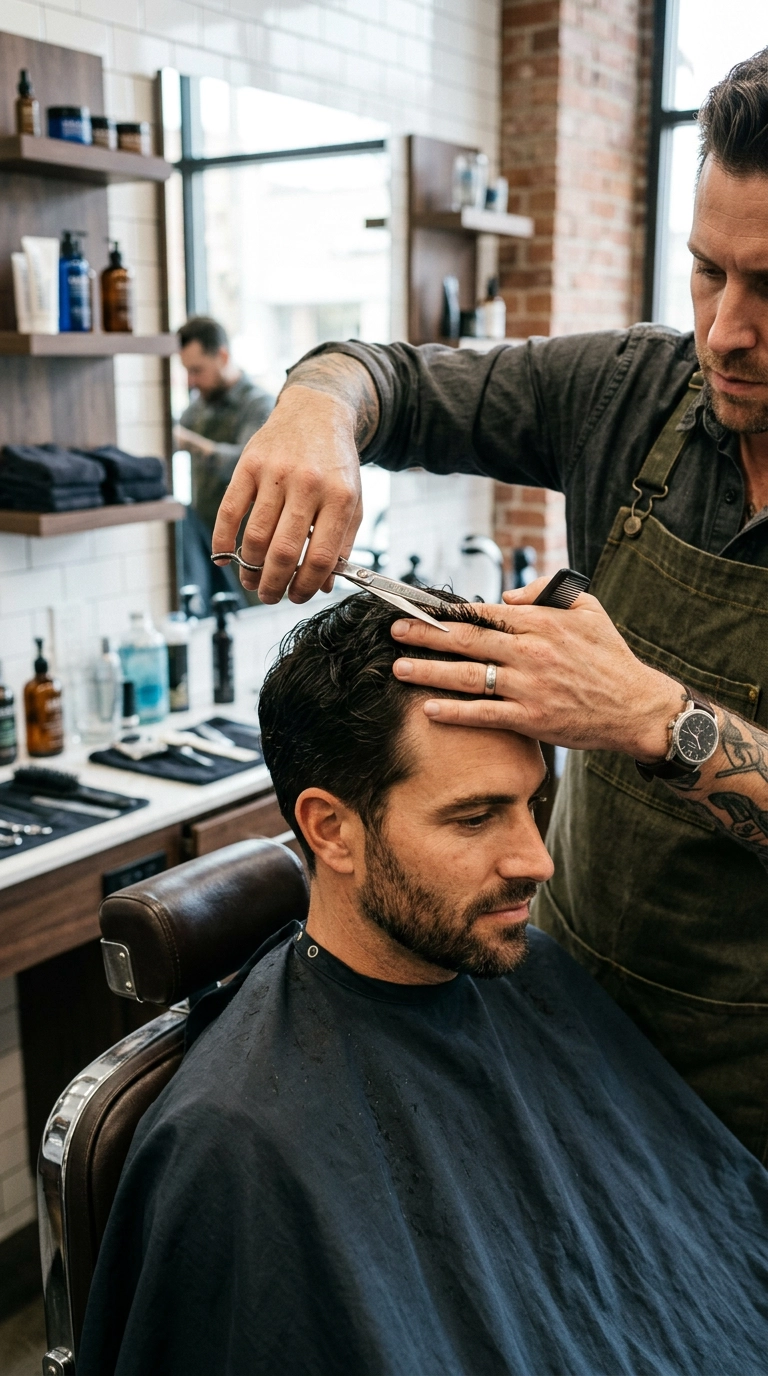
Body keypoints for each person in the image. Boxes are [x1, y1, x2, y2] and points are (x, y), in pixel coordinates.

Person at [210, 52, 768, 1157]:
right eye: (708, 272)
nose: (725, 331)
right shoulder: (634, 392)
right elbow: (385, 375)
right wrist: (317, 413)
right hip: (574, 1027)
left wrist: (660, 719)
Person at [78, 590, 768, 1376]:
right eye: (475, 818)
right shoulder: (236, 1142)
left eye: (532, 804)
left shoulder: (532, 976)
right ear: (331, 829)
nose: (536, 860)